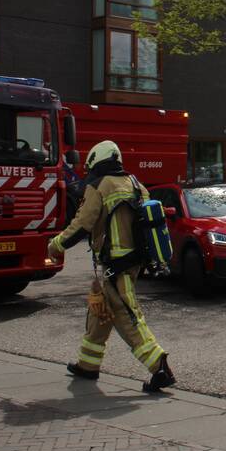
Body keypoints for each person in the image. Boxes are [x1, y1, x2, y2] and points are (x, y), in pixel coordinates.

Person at [47, 140, 175, 393]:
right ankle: (88, 364)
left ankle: (159, 365)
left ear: (96, 161)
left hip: (116, 265)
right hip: (134, 262)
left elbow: (82, 223)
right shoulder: (135, 183)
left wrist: (56, 245)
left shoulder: (99, 185)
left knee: (127, 315)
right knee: (100, 312)